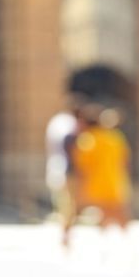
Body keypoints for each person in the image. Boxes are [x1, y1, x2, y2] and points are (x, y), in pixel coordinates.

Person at [62, 105, 132, 245]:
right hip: (113, 183)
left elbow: (81, 165)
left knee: (74, 211)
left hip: (92, 185)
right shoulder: (115, 138)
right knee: (118, 214)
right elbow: (125, 160)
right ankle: (128, 242)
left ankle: (66, 239)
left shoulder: (87, 140)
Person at [45, 93, 82, 231]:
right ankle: (65, 233)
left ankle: (65, 232)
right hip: (67, 168)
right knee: (68, 204)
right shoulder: (70, 124)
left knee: (64, 204)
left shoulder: (57, 121)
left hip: (56, 165)